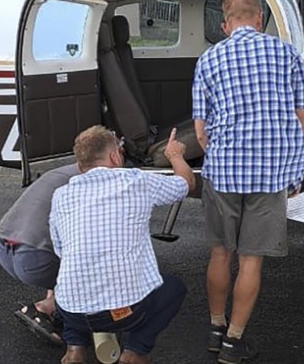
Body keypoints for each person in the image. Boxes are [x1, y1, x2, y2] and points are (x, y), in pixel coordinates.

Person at [192, 0, 304, 363]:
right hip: (271, 173)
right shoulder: (287, 53)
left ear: (226, 24)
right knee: (251, 260)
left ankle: (215, 328)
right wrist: (295, 171)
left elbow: (200, 129)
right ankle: (233, 342)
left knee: (220, 253)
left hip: (224, 172)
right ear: (260, 20)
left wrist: (222, 157)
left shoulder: (209, 59)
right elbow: (303, 118)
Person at [50, 126, 195, 364]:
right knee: (174, 288)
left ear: (80, 165)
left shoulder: (61, 195)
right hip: (125, 313)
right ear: (115, 156)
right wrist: (175, 155)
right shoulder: (135, 181)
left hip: (72, 313)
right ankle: (135, 351)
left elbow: (61, 251)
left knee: (73, 282)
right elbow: (186, 183)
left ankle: (75, 348)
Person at [0, 162, 81, 345]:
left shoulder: (60, 171)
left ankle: (55, 307)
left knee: (58, 244)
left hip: (4, 248)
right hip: (33, 259)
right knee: (104, 266)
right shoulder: (97, 182)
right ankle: (44, 308)